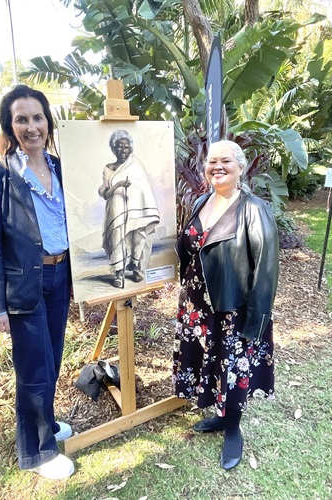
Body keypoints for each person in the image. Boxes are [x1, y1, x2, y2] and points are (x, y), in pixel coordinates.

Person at [0, 85, 74, 480]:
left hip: (61, 273)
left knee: (52, 360)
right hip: (24, 283)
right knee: (34, 368)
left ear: (47, 121)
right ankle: (38, 451)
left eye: (37, 118)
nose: (31, 127)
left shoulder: (60, 166)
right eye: (22, 119)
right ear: (9, 124)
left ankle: (45, 424)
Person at [173, 139, 279, 470]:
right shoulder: (203, 201)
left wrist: (255, 322)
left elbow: (266, 270)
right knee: (210, 362)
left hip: (232, 308)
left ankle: (232, 428)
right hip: (198, 306)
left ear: (241, 168)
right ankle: (218, 415)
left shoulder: (253, 210)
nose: (217, 166)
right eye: (211, 161)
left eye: (226, 161)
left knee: (232, 367)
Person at [98, 129, 160, 288]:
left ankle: (137, 269)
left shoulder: (136, 165)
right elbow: (105, 193)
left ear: (131, 148)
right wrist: (118, 184)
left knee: (137, 236)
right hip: (116, 208)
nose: (123, 150)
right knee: (117, 239)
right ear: (113, 148)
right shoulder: (109, 168)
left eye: (126, 147)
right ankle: (118, 274)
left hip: (137, 208)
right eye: (119, 147)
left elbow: (143, 188)